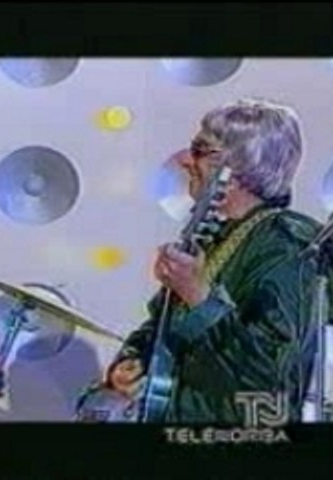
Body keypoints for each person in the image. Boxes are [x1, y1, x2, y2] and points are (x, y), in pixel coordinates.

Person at [104, 98, 321, 424]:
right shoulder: (211, 235)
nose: (185, 161)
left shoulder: (290, 247)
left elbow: (268, 384)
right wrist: (129, 362)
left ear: (237, 170)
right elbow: (157, 328)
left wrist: (199, 297)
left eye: (199, 150)